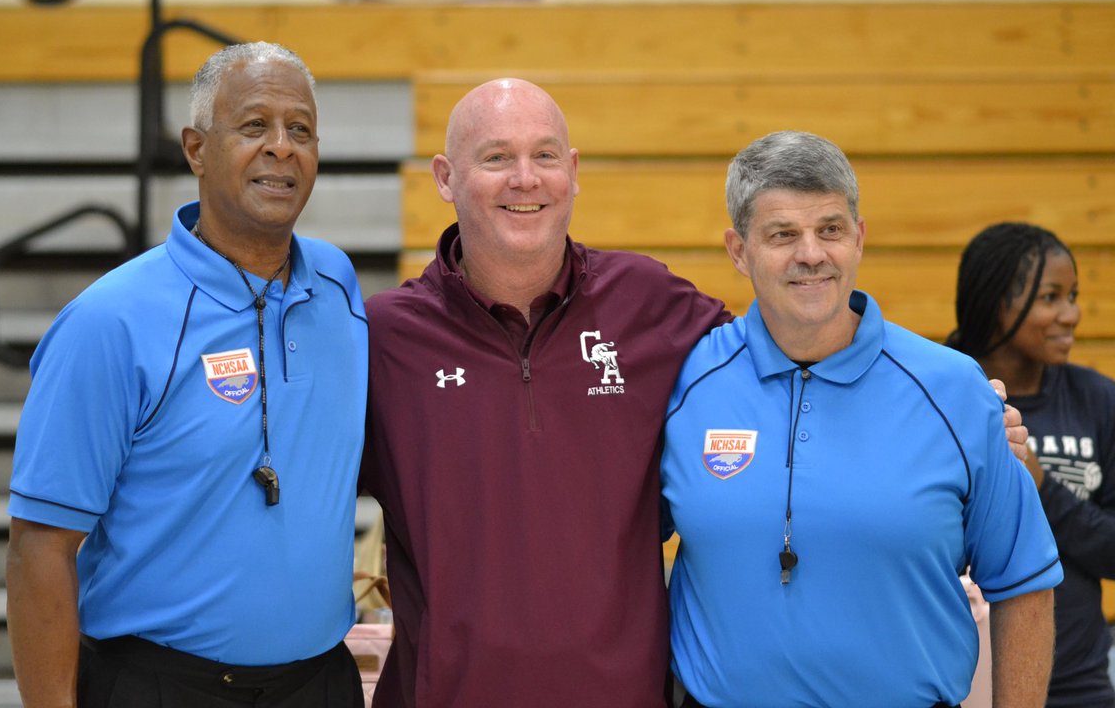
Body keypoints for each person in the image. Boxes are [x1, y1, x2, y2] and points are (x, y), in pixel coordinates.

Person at [358, 79, 1028, 708]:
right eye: (496, 157)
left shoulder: (649, 305)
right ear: (445, 178)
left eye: (545, 155)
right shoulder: (382, 339)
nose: (525, 178)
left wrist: (972, 422)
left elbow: (798, 341)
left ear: (575, 171)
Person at [6, 42, 369, 708]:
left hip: (321, 685)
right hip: (161, 687)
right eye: (255, 126)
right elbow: (40, 549)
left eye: (302, 130)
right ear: (197, 149)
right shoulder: (108, 323)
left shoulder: (339, 289)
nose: (282, 148)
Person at [661, 131, 1062, 708]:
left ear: (860, 236)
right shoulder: (683, 384)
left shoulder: (954, 391)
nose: (811, 254)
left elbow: (1024, 583)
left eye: (830, 230)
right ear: (738, 250)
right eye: (782, 235)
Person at [949, 222, 1115, 708]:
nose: (1072, 314)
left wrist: (1044, 489)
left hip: (1079, 684)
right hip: (959, 682)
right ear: (997, 304)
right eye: (1051, 297)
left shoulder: (1097, 400)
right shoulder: (940, 392)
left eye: (1073, 295)